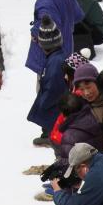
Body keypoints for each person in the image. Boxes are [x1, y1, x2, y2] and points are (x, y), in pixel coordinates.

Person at [27, 16, 68, 147]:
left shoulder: (54, 63)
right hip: (61, 100)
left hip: (58, 104)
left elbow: (53, 90)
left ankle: (51, 137)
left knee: (50, 113)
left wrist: (42, 104)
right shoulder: (59, 56)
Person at [26, 0, 83, 76]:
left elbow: (45, 23)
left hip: (48, 58)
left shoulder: (45, 1)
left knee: (47, 85)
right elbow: (77, 15)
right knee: (64, 82)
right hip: (66, 50)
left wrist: (34, 33)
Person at [73, 63, 103, 128]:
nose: (86, 93)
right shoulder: (77, 106)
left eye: (88, 87)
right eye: (81, 89)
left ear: (98, 83)